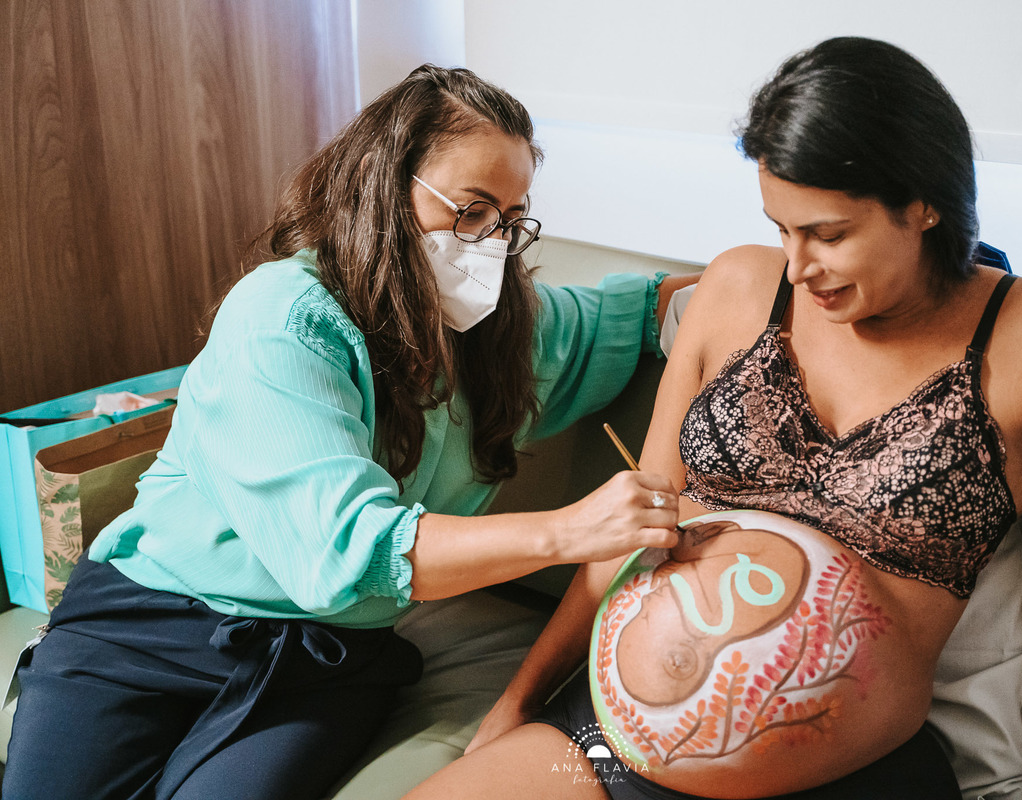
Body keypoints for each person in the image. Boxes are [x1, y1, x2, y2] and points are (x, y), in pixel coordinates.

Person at [401, 37, 1022, 800]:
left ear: (925, 203)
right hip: (608, 743)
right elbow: (631, 527)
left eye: (829, 234)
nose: (799, 267)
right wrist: (519, 702)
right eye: (781, 228)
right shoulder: (738, 289)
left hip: (850, 774)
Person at [2, 65, 697, 800]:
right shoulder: (285, 319)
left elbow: (640, 314)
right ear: (385, 189)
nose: (491, 244)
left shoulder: (502, 332)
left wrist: (767, 277)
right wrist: (568, 531)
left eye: (510, 221)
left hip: (322, 659)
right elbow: (345, 551)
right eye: (470, 212)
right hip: (152, 623)